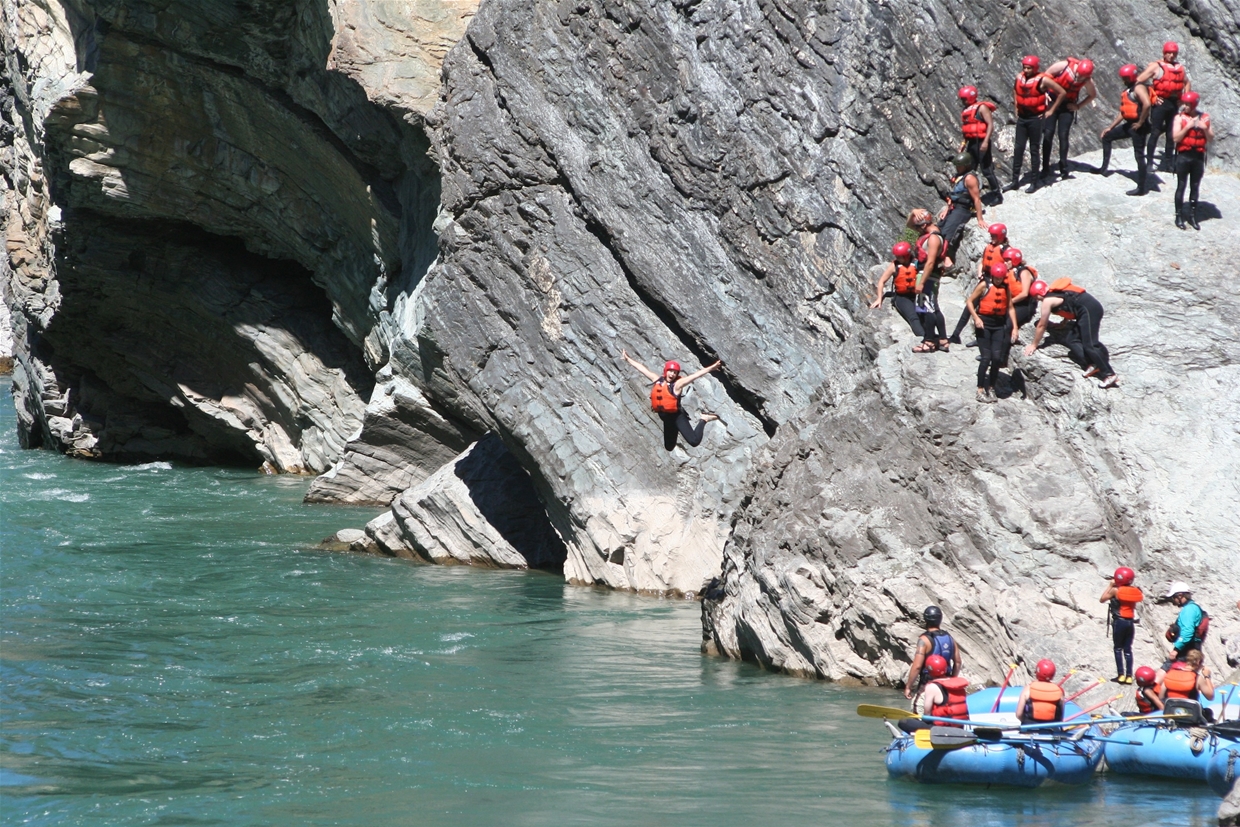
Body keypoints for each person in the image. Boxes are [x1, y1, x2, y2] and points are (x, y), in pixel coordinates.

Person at [1025, 277, 1118, 388]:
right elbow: (1070, 304)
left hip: (1090, 310)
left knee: (1090, 345)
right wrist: (1064, 322)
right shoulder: (1053, 293)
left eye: (1036, 297)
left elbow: (1042, 324)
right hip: (1085, 310)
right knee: (1072, 339)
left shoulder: (1047, 301)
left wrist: (1034, 345)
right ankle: (1092, 363)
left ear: (1038, 295)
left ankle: (1109, 374)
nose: (1037, 300)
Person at [621, 351, 721, 451]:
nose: (672, 374)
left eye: (675, 372)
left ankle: (704, 419)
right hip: (666, 418)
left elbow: (694, 376)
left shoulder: (677, 385)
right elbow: (642, 369)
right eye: (670, 371)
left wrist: (711, 368)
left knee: (694, 441)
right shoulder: (658, 380)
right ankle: (679, 428)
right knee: (669, 447)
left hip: (677, 417)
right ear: (666, 371)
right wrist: (628, 359)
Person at [1009, 56, 1067, 192]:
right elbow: (1015, 90)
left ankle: (1034, 182)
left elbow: (1062, 93)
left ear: (1035, 68)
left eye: (1029, 68)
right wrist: (1016, 106)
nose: (1026, 70)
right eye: (1024, 67)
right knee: (1018, 149)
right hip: (1022, 118)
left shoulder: (1043, 80)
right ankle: (1014, 181)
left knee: (1034, 149)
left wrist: (1051, 110)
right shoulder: (1019, 77)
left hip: (1035, 118)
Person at [966, 262, 1021, 403]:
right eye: (996, 277)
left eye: (1000, 278)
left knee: (996, 358)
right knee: (986, 357)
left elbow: (1010, 308)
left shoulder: (1005, 288)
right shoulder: (984, 286)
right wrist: (976, 318)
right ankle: (980, 389)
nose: (998, 280)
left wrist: (1015, 327)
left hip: (998, 326)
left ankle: (991, 387)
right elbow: (970, 302)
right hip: (983, 324)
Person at [948, 223, 1009, 345]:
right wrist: (980, 271)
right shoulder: (989, 247)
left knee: (991, 309)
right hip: (986, 278)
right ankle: (956, 334)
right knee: (970, 305)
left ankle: (982, 339)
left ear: (1001, 236)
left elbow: (1008, 266)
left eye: (994, 236)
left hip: (997, 281)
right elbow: (983, 261)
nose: (991, 238)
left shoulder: (1006, 250)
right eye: (991, 235)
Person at [1098, 64, 1152, 196]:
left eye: (1125, 78)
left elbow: (1147, 104)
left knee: (1139, 155)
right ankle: (1103, 169)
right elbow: (1124, 112)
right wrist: (1110, 127)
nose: (1123, 80)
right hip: (1130, 125)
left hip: (1138, 127)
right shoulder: (1129, 90)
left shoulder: (1139, 88)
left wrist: (1140, 122)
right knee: (1107, 137)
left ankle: (1141, 188)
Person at [1137, 41, 1192, 172]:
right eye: (1169, 53)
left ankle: (1168, 163)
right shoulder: (1156, 67)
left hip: (1173, 104)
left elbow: (1187, 83)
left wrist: (1185, 100)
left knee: (1170, 134)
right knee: (1155, 132)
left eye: (1174, 53)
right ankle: (1149, 162)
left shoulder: (1179, 68)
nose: (1172, 55)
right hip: (1160, 104)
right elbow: (1138, 81)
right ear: (1164, 53)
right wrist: (1152, 96)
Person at [1040, 58, 1097, 180]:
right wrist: (1044, 93)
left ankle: (1063, 166)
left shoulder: (1087, 79)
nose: (1079, 78)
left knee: (1063, 135)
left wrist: (1078, 106)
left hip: (1067, 105)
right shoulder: (1065, 66)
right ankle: (1045, 167)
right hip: (1052, 101)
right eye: (1079, 75)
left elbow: (1092, 94)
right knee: (1048, 134)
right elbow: (1046, 75)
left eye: (1082, 77)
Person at [905, 209, 950, 354]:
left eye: (918, 227)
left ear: (923, 226)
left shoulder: (933, 238)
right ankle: (943, 339)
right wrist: (914, 212)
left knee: (925, 308)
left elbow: (930, 263)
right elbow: (909, 225)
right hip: (929, 275)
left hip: (927, 275)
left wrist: (921, 282)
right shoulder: (934, 232)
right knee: (933, 306)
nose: (916, 230)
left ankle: (929, 341)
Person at [904, 605, 962, 711]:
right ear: (940, 619)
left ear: (926, 619)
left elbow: (917, 666)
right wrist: (952, 680)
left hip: (927, 685)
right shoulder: (949, 638)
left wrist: (908, 686)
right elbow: (958, 662)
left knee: (918, 711)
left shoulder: (924, 640)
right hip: (945, 686)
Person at [1171, 91, 1214, 230]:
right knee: (1181, 185)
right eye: (1184, 103)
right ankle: (1178, 215)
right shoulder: (1179, 118)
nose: (1185, 106)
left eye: (1188, 104)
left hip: (1198, 157)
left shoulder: (1204, 118)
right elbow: (1176, 138)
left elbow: (1211, 138)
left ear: (1194, 104)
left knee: (1195, 186)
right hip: (1184, 156)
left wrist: (1204, 129)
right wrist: (1188, 127)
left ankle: (1192, 216)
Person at [1100, 566, 1144, 684]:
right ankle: (1129, 676)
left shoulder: (1116, 590)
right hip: (1130, 622)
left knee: (1118, 648)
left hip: (1119, 621)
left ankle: (1120, 675)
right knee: (1128, 649)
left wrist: (1110, 585)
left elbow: (1102, 599)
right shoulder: (1134, 591)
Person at [871, 241, 924, 339]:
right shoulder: (894, 266)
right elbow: (882, 281)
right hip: (901, 297)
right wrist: (879, 298)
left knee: (924, 315)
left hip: (917, 295)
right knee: (913, 317)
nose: (897, 258)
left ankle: (932, 336)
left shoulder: (917, 263)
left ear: (907, 256)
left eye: (900, 256)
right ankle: (924, 338)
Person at [957, 86, 1002, 195]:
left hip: (981, 141)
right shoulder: (966, 111)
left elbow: (990, 125)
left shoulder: (981, 108)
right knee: (970, 169)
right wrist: (963, 143)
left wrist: (986, 141)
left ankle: (997, 194)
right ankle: (970, 194)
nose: (963, 102)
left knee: (986, 169)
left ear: (971, 97)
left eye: (964, 99)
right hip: (972, 143)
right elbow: (967, 129)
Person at [1164, 581, 1206, 660]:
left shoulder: (1188, 610)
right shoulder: (1192, 608)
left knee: (1163, 671)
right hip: (1192, 648)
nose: (1174, 600)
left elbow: (1187, 631)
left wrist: (1176, 649)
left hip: (1187, 650)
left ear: (1180, 596)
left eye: (1174, 597)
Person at [1017, 659, 1065, 723]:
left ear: (1037, 672)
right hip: (1052, 728)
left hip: (1029, 728)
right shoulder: (1059, 691)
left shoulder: (1028, 688)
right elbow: (1061, 716)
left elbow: (1019, 714)